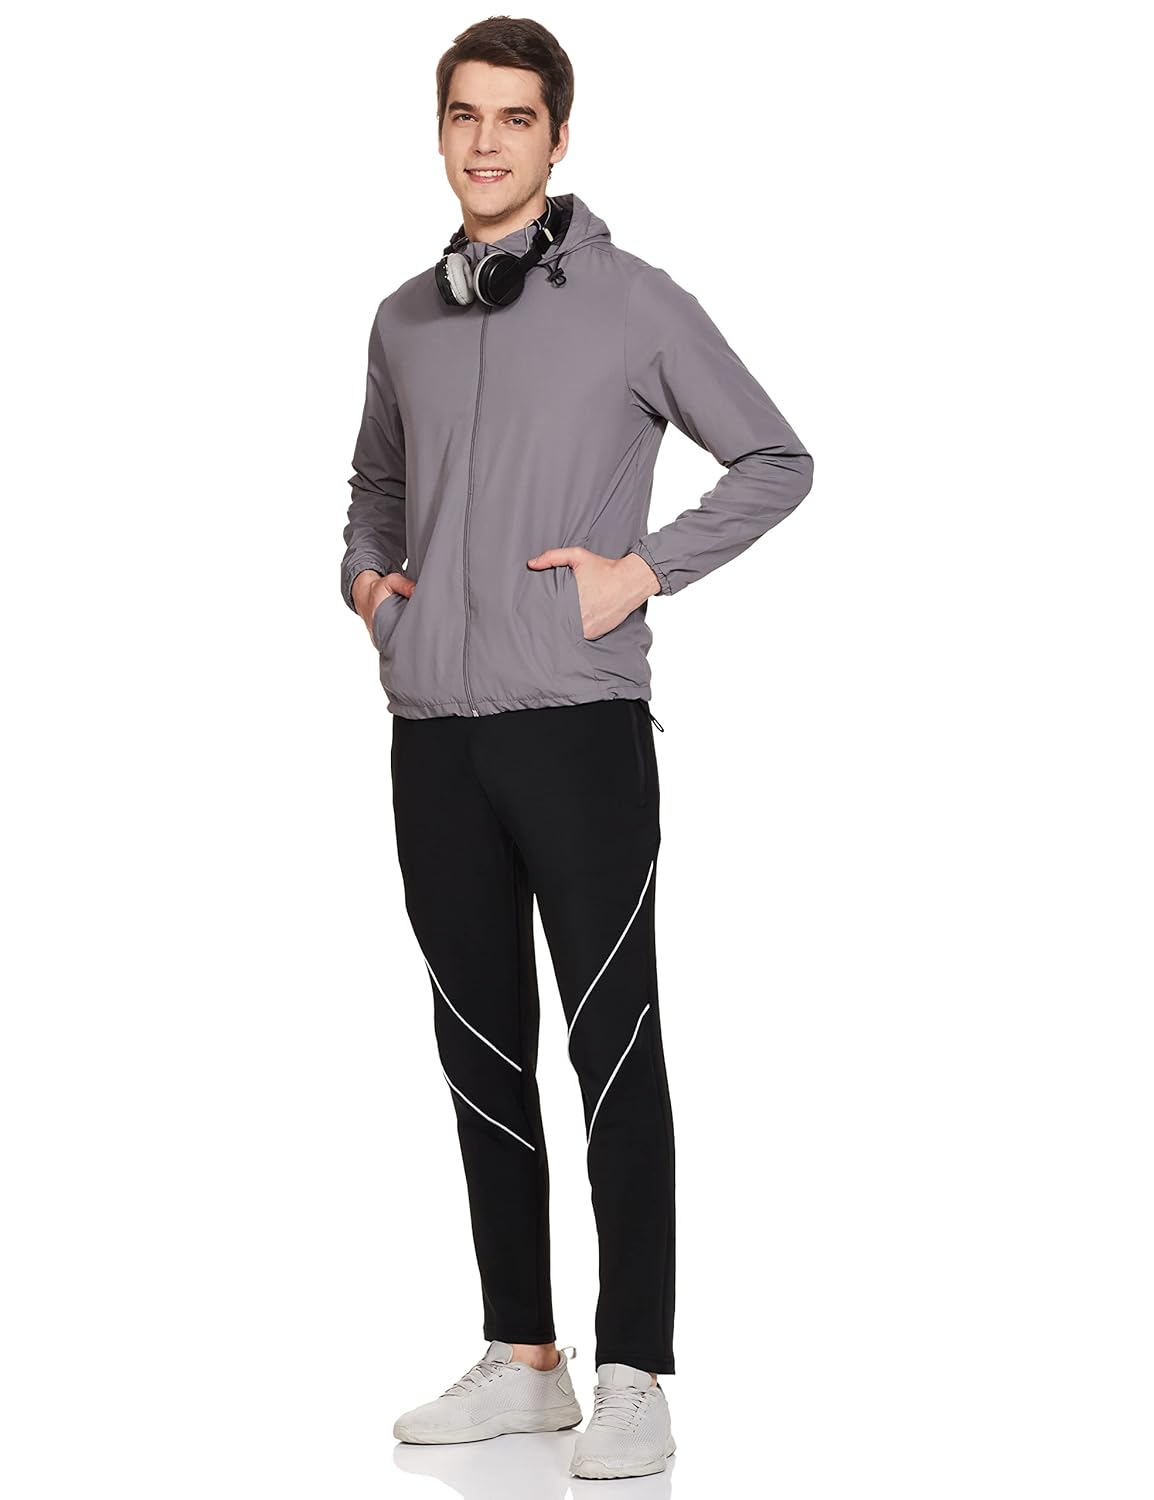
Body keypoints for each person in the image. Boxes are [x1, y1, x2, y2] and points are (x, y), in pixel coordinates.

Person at [339, 17, 813, 1482]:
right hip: (435, 735)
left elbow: (776, 458)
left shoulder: (632, 303)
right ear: (439, 131)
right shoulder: (403, 320)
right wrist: (371, 592)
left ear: (558, 138)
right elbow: (373, 487)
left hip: (579, 729)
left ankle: (635, 1372)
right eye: (464, 116)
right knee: (479, 1047)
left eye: (515, 119)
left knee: (614, 1047)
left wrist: (643, 572)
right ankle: (522, 1358)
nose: (486, 143)